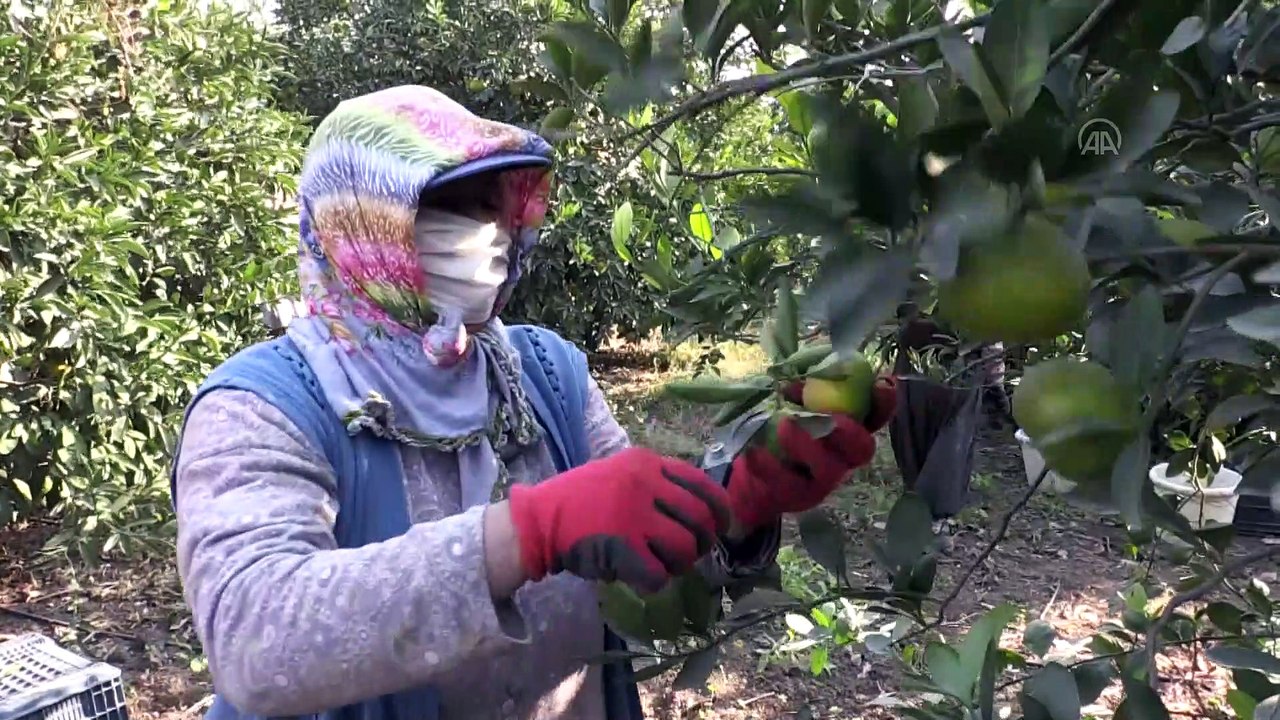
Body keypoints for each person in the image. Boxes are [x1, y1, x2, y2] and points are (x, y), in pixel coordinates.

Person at [170, 85, 897, 720]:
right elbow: (254, 636)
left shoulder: (545, 374)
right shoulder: (263, 406)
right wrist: (524, 534)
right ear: (360, 222)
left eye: (493, 206)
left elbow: (644, 573)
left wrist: (741, 503)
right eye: (445, 207)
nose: (486, 233)